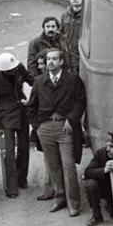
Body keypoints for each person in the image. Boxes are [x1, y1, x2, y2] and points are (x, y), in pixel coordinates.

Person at [26, 48, 86, 216]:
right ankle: (59, 198)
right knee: (53, 166)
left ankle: (74, 203)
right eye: (48, 59)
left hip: (65, 127)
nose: (50, 62)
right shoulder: (39, 81)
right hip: (45, 128)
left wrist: (71, 120)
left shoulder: (73, 80)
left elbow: (80, 102)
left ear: (61, 62)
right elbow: (31, 106)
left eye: (54, 59)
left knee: (68, 165)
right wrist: (37, 126)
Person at [0, 53, 32, 198]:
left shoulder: (19, 68)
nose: (14, 70)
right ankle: (12, 187)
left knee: (24, 148)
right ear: (4, 71)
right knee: (10, 152)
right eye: (11, 70)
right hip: (6, 116)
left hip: (22, 112)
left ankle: (21, 178)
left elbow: (32, 81)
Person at [60, 0, 83, 75]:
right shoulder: (65, 15)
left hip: (81, 55)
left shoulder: (87, 15)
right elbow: (61, 33)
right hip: (68, 55)